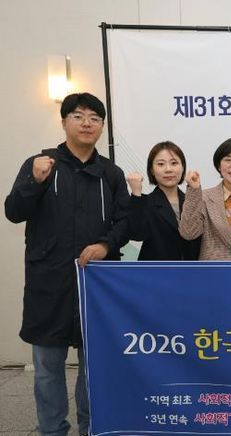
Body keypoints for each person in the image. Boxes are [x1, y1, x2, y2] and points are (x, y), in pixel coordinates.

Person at [4, 93, 129, 436]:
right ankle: (52, 429)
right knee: (47, 367)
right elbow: (13, 211)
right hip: (49, 281)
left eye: (94, 118)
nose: (87, 123)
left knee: (93, 366)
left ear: (101, 126)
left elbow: (125, 221)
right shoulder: (41, 164)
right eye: (78, 116)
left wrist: (106, 244)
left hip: (96, 283)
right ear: (63, 122)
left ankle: (91, 427)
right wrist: (34, 181)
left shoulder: (111, 173)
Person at [126, 141, 201, 260]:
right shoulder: (144, 202)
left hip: (190, 269)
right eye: (161, 164)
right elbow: (136, 234)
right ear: (152, 170)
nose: (168, 169)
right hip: (156, 269)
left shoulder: (193, 201)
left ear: (182, 167)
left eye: (174, 163)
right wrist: (136, 193)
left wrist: (194, 190)